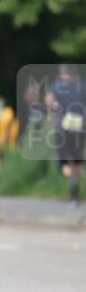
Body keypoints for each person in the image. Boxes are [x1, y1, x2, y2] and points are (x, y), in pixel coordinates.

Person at [46, 64, 86, 206]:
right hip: (80, 128)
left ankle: (68, 176)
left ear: (64, 73)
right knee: (77, 162)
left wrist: (53, 117)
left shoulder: (57, 86)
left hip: (63, 127)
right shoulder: (82, 86)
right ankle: (74, 195)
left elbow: (49, 101)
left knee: (62, 161)